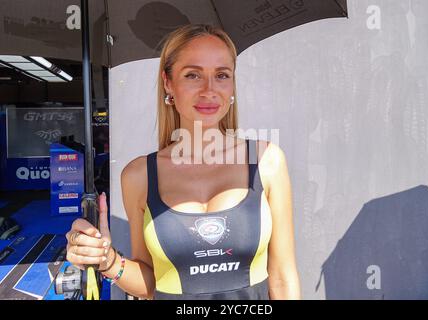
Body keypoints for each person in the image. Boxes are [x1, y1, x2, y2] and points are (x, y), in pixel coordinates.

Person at [65, 24, 301, 300]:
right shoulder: (139, 175)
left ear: (233, 83)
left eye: (222, 75)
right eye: (193, 75)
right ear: (168, 83)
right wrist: (107, 261)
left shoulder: (266, 161)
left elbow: (284, 278)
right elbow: (151, 283)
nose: (209, 89)